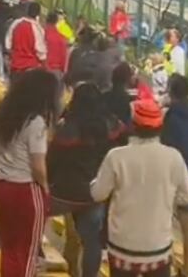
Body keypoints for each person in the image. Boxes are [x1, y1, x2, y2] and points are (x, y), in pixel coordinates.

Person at [90, 97, 188, 277]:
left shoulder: (116, 157)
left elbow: (98, 194)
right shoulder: (174, 158)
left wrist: (94, 182)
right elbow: (186, 197)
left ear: (133, 126)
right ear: (160, 127)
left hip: (122, 248)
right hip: (158, 249)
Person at [0, 69, 61, 277]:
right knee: (28, 250)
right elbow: (38, 166)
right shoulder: (36, 122)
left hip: (0, 183)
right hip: (24, 189)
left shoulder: (2, 112)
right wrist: (45, 187)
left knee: (9, 247)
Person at [49, 83, 124, 277]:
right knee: (92, 243)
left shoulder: (65, 128)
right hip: (93, 194)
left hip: (62, 194)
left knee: (33, 218)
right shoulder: (111, 127)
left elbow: (51, 162)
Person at [5, 0, 47, 76]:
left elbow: (8, 46)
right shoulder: (37, 28)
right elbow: (41, 52)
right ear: (38, 15)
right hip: (30, 69)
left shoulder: (16, 23)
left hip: (15, 67)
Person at [42, 10, 70, 74]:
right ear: (56, 21)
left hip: (41, 70)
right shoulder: (61, 38)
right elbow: (64, 58)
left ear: (46, 20)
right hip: (56, 71)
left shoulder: (41, 33)